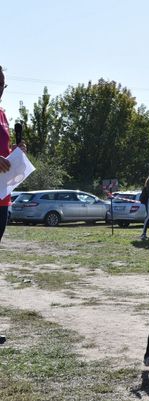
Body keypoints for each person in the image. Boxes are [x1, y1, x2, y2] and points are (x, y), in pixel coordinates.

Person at [1, 65, 27, 345]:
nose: (0, 87)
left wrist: (16, 154)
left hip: (2, 196)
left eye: (2, 84)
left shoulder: (4, 115)